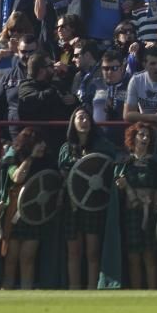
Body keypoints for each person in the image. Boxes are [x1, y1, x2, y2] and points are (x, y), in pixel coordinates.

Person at [104, 122, 157, 289]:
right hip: (130, 215)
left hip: (152, 215)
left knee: (150, 256)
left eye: (147, 136)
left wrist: (156, 199)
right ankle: (136, 295)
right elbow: (115, 195)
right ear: (133, 138)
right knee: (133, 257)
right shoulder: (123, 165)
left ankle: (153, 295)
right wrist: (121, 187)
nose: (145, 138)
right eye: (141, 135)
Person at [57, 106, 117, 290]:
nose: (83, 121)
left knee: (93, 251)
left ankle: (93, 291)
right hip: (72, 203)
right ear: (73, 123)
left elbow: (113, 163)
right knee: (74, 251)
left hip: (94, 204)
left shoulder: (102, 145)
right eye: (79, 117)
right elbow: (62, 172)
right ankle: (74, 290)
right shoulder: (66, 149)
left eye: (86, 117)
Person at [0, 127, 53, 289]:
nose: (42, 146)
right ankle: (7, 290)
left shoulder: (46, 161)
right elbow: (17, 177)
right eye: (37, 143)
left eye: (43, 143)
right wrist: (29, 158)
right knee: (11, 257)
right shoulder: (13, 158)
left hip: (34, 215)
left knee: (28, 257)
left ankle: (27, 291)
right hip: (13, 214)